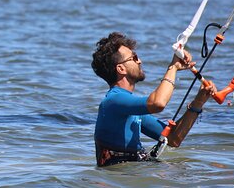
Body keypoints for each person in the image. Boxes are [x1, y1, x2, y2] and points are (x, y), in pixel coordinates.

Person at [91, 32, 216, 166]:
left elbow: (173, 139)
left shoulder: (128, 107)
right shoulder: (114, 100)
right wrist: (172, 67)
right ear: (121, 68)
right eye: (134, 57)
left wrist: (199, 101)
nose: (140, 61)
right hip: (122, 178)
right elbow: (158, 103)